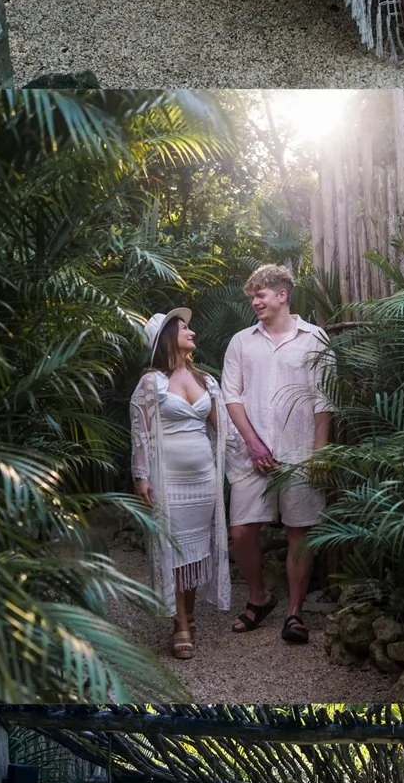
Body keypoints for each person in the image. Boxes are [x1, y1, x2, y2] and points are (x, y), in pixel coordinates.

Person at [220, 264, 333, 645]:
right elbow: (230, 395)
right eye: (253, 296)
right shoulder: (241, 342)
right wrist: (252, 443)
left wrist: (320, 454)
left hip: (300, 452)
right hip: (250, 455)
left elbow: (324, 400)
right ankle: (259, 597)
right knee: (241, 532)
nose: (255, 302)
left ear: (282, 295)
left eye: (261, 295)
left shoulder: (315, 338)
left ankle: (295, 614)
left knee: (299, 531)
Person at [130, 308, 232, 659]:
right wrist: (141, 476)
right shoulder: (151, 383)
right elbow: (140, 433)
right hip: (167, 479)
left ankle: (187, 613)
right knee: (174, 550)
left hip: (203, 480)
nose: (192, 330)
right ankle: (180, 625)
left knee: (196, 553)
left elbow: (225, 431)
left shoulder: (206, 380)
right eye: (184, 327)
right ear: (167, 339)